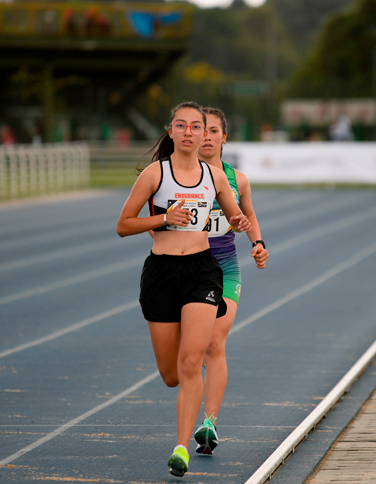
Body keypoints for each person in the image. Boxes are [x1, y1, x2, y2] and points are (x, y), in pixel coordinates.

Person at [115, 101, 251, 477]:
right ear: (171, 131)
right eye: (182, 125)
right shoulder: (154, 175)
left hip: (203, 273)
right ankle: (185, 419)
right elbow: (123, 225)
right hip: (161, 272)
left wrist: (240, 222)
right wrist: (162, 218)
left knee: (193, 361)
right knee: (172, 374)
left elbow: (235, 215)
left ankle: (181, 448)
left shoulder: (216, 177)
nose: (190, 132)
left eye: (197, 126)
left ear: (205, 132)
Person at [191, 107, 268, 456]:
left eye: (213, 131)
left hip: (224, 267)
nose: (206, 136)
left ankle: (210, 423)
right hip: (187, 269)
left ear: (224, 137)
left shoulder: (238, 180)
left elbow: (248, 213)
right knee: (188, 354)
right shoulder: (181, 177)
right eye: (201, 130)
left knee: (214, 343)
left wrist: (257, 243)